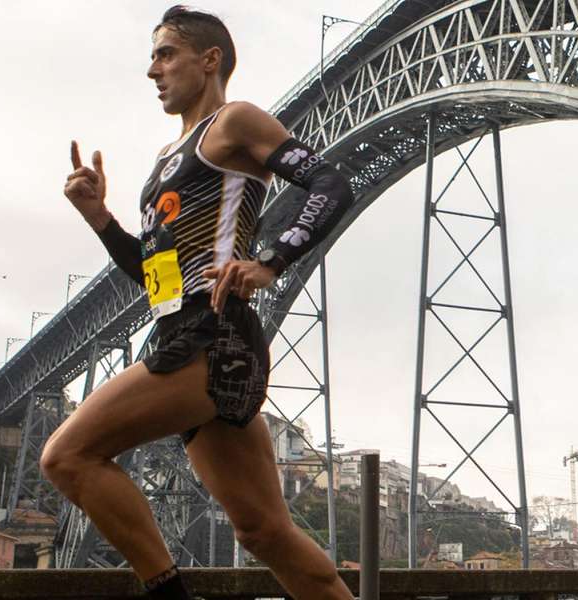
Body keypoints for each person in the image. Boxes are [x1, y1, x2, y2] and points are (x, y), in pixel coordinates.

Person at [42, 6, 354, 600]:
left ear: (209, 60)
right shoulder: (168, 155)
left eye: (165, 54)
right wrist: (101, 219)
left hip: (212, 333)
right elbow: (156, 277)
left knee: (66, 456)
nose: (152, 70)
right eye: (153, 57)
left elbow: (331, 183)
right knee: (264, 530)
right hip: (185, 328)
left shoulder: (233, 121)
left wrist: (271, 260)